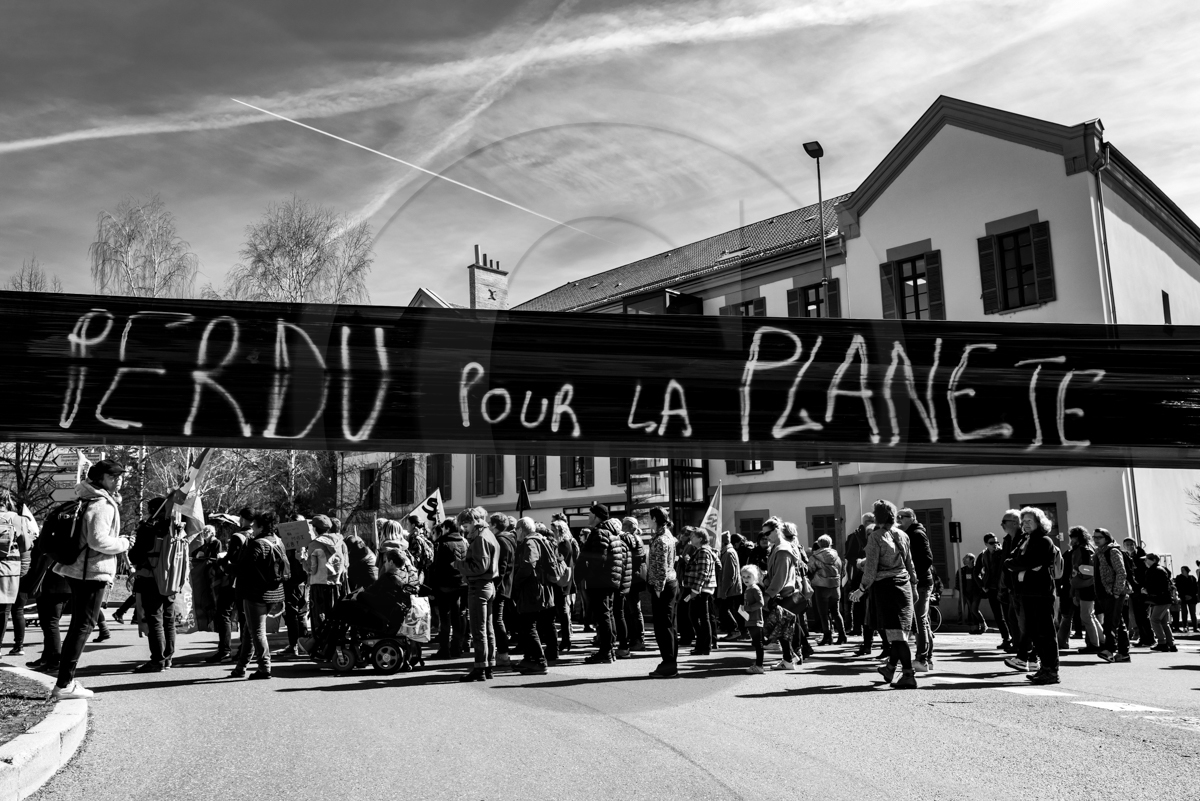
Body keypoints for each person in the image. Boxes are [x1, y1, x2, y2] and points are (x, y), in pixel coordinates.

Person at [50, 459, 132, 700]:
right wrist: (125, 542)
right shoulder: (102, 504)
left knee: (79, 626)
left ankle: (66, 681)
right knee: (83, 627)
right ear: (99, 479)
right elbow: (99, 541)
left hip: (78, 569)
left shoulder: (85, 498)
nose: (118, 480)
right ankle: (64, 684)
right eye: (112, 477)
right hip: (91, 571)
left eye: (119, 476)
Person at [849, 500, 918, 689]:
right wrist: (914, 585)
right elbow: (910, 563)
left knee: (897, 635)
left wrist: (861, 589)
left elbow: (870, 569)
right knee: (898, 633)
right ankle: (889, 668)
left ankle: (908, 675)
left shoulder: (876, 537)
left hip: (886, 588)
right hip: (903, 586)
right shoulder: (903, 535)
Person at [1003, 507, 1060, 684]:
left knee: (1046, 633)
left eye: (1029, 521)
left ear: (1039, 522)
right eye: (1024, 521)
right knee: (1035, 632)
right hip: (1026, 592)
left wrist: (1017, 564)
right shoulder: (1025, 540)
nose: (1025, 525)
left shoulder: (1044, 541)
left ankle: (1051, 671)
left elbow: (1025, 561)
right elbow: (1010, 561)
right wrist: (1017, 564)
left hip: (1040, 593)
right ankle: (1043, 668)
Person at [231, 511, 289, 680]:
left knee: (257, 632)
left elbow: (243, 568)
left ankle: (265, 667)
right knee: (250, 630)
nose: (252, 528)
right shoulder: (279, 541)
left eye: (254, 525)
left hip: (256, 594)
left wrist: (226, 566)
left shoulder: (257, 544)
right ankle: (241, 667)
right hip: (275, 592)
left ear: (261, 526)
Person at [128, 497, 180, 673]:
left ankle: (157, 660)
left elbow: (135, 555)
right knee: (169, 620)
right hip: (171, 578)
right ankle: (168, 657)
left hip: (151, 577)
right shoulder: (176, 528)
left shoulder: (148, 528)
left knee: (155, 619)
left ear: (152, 509)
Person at [453, 507, 499, 682]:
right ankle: (488, 666)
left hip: (479, 586)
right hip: (488, 585)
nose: (464, 529)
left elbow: (479, 567)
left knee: (479, 630)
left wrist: (458, 565)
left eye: (465, 524)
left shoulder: (480, 538)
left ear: (472, 521)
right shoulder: (488, 535)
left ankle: (480, 668)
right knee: (487, 629)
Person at [579, 512, 629, 664]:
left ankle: (606, 651)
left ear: (596, 516)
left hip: (601, 581)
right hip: (610, 579)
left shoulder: (600, 532)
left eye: (590, 514)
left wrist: (589, 574)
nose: (588, 516)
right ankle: (609, 650)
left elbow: (598, 558)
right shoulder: (612, 533)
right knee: (608, 614)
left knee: (604, 615)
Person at [511, 517, 555, 675]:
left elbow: (529, 564)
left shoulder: (530, 542)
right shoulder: (539, 539)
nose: (516, 533)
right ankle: (529, 659)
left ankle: (539, 661)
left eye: (516, 530)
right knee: (527, 625)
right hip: (538, 589)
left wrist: (516, 582)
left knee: (528, 625)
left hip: (532, 590)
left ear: (521, 529)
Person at [25, 528, 70, 673]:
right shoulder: (68, 539)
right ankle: (47, 656)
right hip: (63, 585)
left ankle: (54, 660)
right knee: (49, 623)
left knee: (50, 623)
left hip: (50, 586)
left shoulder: (46, 542)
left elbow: (38, 563)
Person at [762, 517, 802, 670]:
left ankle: (789, 659)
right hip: (783, 594)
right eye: (764, 534)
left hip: (783, 595)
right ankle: (790, 657)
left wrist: (767, 595)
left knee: (781, 630)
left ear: (777, 530)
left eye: (768, 533)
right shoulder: (778, 548)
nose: (766, 537)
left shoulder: (782, 549)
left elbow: (780, 578)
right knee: (782, 630)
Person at [898, 507, 935, 673]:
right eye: (897, 516)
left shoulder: (917, 534)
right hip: (919, 581)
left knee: (920, 620)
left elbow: (927, 559)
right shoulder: (909, 534)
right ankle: (927, 658)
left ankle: (922, 658)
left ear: (911, 518)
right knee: (922, 620)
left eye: (902, 517)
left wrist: (914, 577)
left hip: (921, 582)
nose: (899, 519)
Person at [0, 490, 34, 657]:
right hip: (8, 571)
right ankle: (14, 646)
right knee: (5, 611)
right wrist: (23, 571)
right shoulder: (17, 519)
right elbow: (26, 547)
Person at [646, 508, 679, 679]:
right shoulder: (668, 536)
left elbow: (660, 566)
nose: (648, 522)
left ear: (654, 518)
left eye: (649, 518)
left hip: (664, 585)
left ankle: (668, 665)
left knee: (663, 626)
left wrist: (658, 587)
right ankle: (670, 662)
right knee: (669, 625)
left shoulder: (660, 539)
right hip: (670, 583)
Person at [1092, 528, 1131, 663]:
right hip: (1104, 593)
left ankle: (1109, 650)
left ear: (1107, 538)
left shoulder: (1112, 551)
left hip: (1113, 593)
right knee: (1117, 622)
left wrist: (1116, 592)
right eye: (1094, 537)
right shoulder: (1098, 552)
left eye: (1099, 537)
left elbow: (1121, 573)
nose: (1096, 539)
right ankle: (1123, 653)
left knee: (1110, 623)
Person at [430, 518, 468, 659]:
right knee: (457, 616)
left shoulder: (443, 543)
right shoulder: (463, 542)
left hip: (445, 584)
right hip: (460, 583)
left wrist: (433, 587)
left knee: (445, 618)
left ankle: (444, 649)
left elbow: (438, 567)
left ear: (446, 528)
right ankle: (456, 647)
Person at [1064, 526, 1101, 653]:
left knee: (1087, 617)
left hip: (1086, 586)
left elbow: (1091, 570)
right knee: (1090, 616)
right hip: (1086, 586)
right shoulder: (1085, 549)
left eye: (1073, 537)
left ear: (1078, 537)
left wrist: (1077, 571)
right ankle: (1101, 641)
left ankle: (1095, 645)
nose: (1071, 540)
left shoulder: (1084, 550)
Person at [681, 527, 717, 657]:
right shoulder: (702, 551)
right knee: (698, 617)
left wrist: (696, 590)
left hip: (700, 590)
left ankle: (704, 646)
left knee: (699, 617)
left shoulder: (703, 551)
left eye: (693, 536)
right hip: (700, 589)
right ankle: (702, 645)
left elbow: (703, 572)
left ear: (700, 538)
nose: (691, 538)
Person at [307, 515, 345, 637]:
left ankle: (321, 645)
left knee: (319, 617)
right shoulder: (340, 541)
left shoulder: (314, 544)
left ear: (315, 528)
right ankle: (335, 643)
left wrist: (301, 559)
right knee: (334, 616)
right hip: (337, 585)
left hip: (319, 585)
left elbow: (311, 569)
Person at [489, 513, 517, 667]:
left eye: (490, 523)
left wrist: (495, 585)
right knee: (499, 620)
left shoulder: (501, 540)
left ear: (494, 525)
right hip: (505, 586)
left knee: (497, 620)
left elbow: (502, 567)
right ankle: (501, 653)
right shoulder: (508, 539)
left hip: (501, 587)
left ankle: (503, 654)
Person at [975, 532, 1011, 648]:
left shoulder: (1002, 554)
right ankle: (1006, 638)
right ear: (986, 544)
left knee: (1008, 615)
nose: (995, 545)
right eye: (991, 543)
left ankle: (1015, 639)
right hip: (991, 589)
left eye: (996, 542)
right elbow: (976, 572)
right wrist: (982, 585)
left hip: (1003, 589)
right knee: (998, 617)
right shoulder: (983, 555)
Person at [549, 518, 579, 653]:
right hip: (565, 579)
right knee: (562, 610)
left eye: (554, 530)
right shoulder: (564, 543)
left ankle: (566, 640)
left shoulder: (563, 544)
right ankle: (565, 640)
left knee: (562, 611)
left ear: (560, 531)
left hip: (562, 580)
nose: (552, 532)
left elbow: (560, 562)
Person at [618, 516, 647, 654]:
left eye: (623, 524)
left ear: (629, 526)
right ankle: (636, 638)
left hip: (632, 577)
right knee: (633, 608)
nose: (621, 526)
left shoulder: (629, 538)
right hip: (636, 576)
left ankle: (638, 640)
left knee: (633, 609)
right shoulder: (636, 538)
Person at [810, 534, 845, 645]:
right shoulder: (837, 556)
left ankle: (827, 636)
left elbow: (809, 570)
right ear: (830, 544)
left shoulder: (814, 556)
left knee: (823, 613)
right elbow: (842, 571)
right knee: (836, 612)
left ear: (819, 544)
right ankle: (842, 635)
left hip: (821, 586)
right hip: (835, 587)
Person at [843, 513, 872, 638]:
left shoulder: (876, 534)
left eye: (872, 520)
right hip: (858, 573)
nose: (870, 522)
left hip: (871, 573)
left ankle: (870, 630)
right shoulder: (854, 537)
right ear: (863, 522)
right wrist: (861, 562)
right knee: (857, 602)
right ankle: (856, 627)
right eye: (868, 521)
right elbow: (849, 555)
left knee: (869, 604)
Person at [1142, 553, 1178, 652]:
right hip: (1164, 599)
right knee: (1163, 622)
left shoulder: (1154, 570)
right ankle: (1171, 644)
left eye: (1146, 560)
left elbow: (1158, 586)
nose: (1145, 561)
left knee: (1154, 620)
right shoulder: (1161, 569)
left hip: (1160, 599)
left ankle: (1162, 643)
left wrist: (1147, 591)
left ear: (1153, 560)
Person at [1123, 537, 1154, 647]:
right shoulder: (1128, 557)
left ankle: (1149, 638)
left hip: (1141, 590)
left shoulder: (1142, 558)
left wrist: (1143, 587)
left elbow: (1144, 574)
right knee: (1137, 615)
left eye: (1131, 544)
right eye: (1127, 545)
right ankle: (1143, 638)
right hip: (1134, 590)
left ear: (1135, 545)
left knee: (1143, 615)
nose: (1129, 546)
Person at [717, 531, 745, 641]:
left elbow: (729, 574)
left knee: (725, 610)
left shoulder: (729, 553)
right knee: (727, 610)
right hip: (730, 589)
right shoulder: (727, 552)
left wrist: (724, 591)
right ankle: (735, 631)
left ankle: (735, 630)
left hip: (730, 589)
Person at [742, 565, 766, 674]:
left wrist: (747, 608)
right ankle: (758, 664)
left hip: (756, 620)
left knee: (758, 643)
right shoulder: (748, 588)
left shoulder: (755, 589)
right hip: (751, 620)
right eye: (744, 577)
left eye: (749, 576)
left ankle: (759, 665)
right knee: (756, 643)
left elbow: (761, 603)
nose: (746, 579)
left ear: (755, 577)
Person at [956, 553, 985, 634]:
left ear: (972, 560)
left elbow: (982, 579)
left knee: (974, 610)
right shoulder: (962, 570)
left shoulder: (977, 569)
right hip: (967, 594)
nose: (964, 560)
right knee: (972, 611)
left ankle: (983, 625)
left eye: (966, 558)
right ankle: (975, 628)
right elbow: (958, 582)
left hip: (976, 593)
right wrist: (961, 590)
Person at [1176, 566, 1198, 632]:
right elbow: (1179, 588)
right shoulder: (1179, 578)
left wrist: (1191, 595)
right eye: (1181, 570)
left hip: (1192, 598)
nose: (1182, 571)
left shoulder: (1192, 578)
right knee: (1184, 612)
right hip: (1183, 598)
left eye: (1183, 570)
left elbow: (1195, 588)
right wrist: (1184, 596)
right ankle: (1185, 626)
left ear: (1187, 571)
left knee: (1193, 613)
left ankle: (1195, 627)